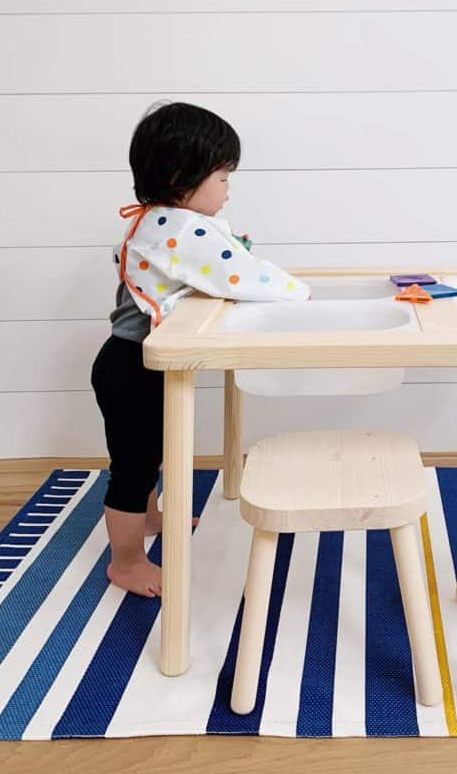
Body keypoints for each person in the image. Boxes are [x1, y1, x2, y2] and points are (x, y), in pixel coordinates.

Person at [91, 101, 310, 597]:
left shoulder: (160, 221)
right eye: (223, 177)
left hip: (131, 361)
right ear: (181, 177)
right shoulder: (178, 229)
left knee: (147, 453)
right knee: (132, 466)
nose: (228, 189)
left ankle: (148, 517)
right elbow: (241, 275)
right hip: (132, 365)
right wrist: (301, 293)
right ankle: (125, 563)